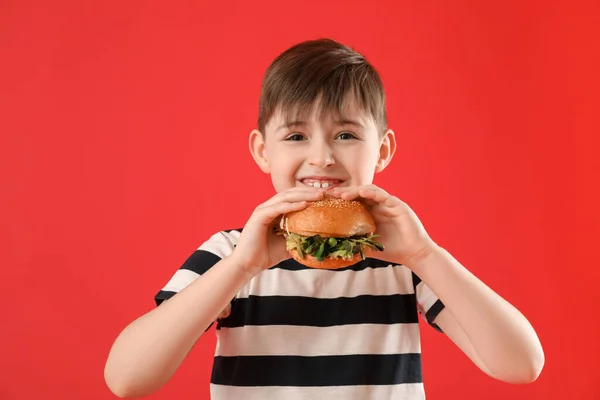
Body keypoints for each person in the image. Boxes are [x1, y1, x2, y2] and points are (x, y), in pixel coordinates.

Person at [104, 38, 545, 399]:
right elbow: (127, 380)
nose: (322, 157)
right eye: (296, 135)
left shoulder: (401, 260)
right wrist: (241, 267)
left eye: (346, 135)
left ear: (383, 151)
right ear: (262, 151)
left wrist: (425, 254)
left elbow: (521, 366)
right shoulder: (229, 254)